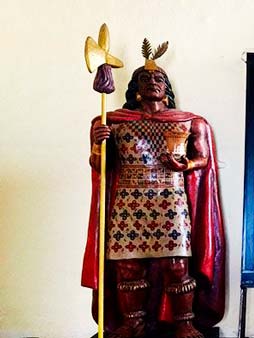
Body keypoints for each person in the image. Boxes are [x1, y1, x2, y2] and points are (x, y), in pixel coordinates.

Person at [81, 41, 225, 338]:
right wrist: (98, 143)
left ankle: (184, 322)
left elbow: (204, 159)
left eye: (158, 78)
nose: (152, 82)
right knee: (128, 268)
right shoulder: (112, 122)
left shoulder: (188, 121)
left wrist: (183, 166)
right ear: (135, 88)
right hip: (128, 202)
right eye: (145, 79)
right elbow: (101, 167)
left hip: (170, 200)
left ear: (167, 88)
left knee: (176, 265)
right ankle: (132, 321)